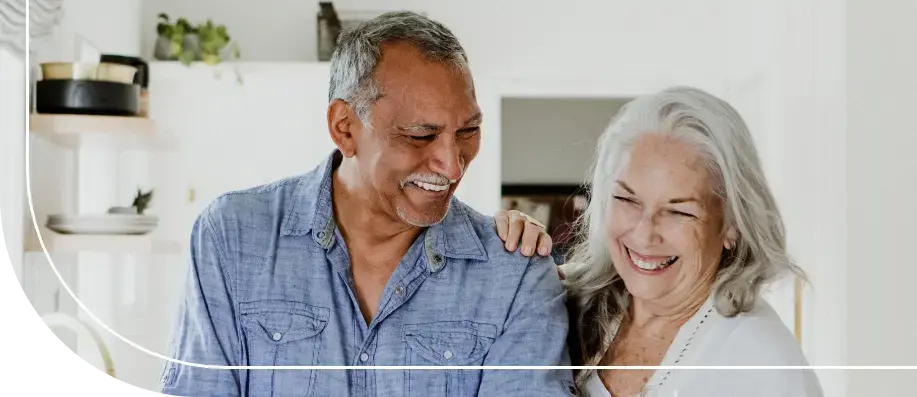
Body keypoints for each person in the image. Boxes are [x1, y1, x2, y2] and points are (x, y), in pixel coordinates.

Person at [159, 11, 575, 397]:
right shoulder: (233, 237)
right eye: (420, 135)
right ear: (344, 128)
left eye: (468, 130)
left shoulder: (517, 272)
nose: (452, 164)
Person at [494, 86, 824, 397]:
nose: (644, 233)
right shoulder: (566, 303)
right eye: (627, 200)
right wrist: (506, 255)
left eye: (678, 212)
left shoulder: (765, 367)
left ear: (732, 226)